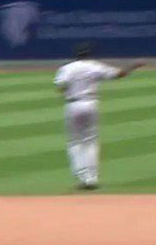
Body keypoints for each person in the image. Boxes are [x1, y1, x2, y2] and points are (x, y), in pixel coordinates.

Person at [54, 43, 144, 190]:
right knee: (90, 141)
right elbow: (118, 74)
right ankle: (92, 178)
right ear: (88, 54)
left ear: (76, 55)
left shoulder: (67, 68)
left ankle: (82, 177)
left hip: (73, 104)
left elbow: (61, 86)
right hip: (91, 104)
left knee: (75, 142)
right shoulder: (94, 66)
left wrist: (66, 91)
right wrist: (133, 66)